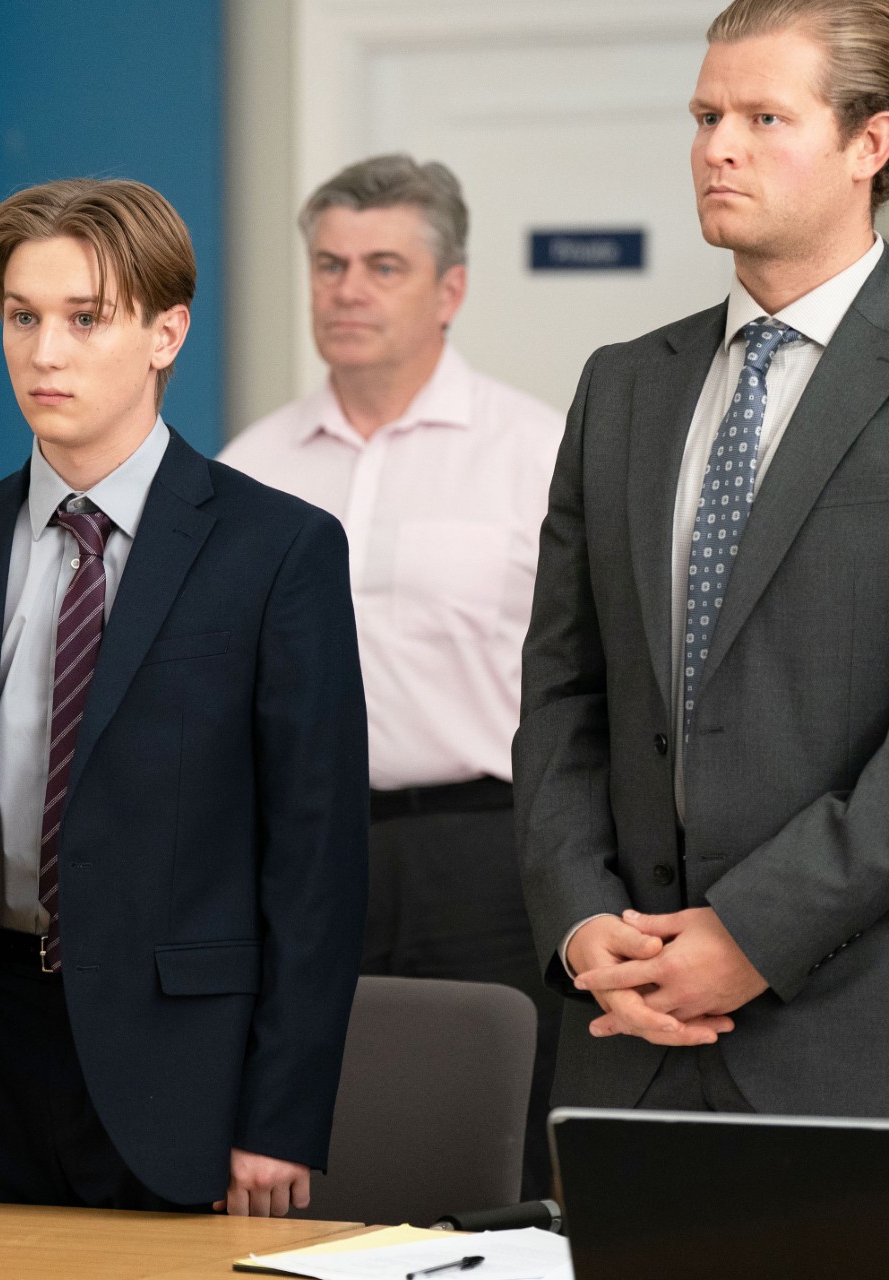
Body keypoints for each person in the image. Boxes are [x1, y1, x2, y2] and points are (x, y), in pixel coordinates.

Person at [0, 178, 369, 1216]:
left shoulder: (278, 551)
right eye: (23, 317)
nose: (46, 352)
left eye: (86, 318)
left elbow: (318, 866)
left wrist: (281, 1115)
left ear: (166, 331)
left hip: (185, 1069)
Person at [517, 0, 889, 1119]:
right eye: (706, 114)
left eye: (765, 116)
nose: (718, 146)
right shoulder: (623, 383)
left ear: (871, 143)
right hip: (627, 1030)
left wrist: (754, 932)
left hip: (870, 1024)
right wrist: (587, 929)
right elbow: (563, 693)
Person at [220, 155, 564, 1196]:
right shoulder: (251, 464)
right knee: (318, 1144)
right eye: (329, 265)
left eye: (382, 265)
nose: (348, 290)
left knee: (492, 1150)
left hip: (488, 855)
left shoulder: (536, 451)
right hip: (296, 857)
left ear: (449, 288)